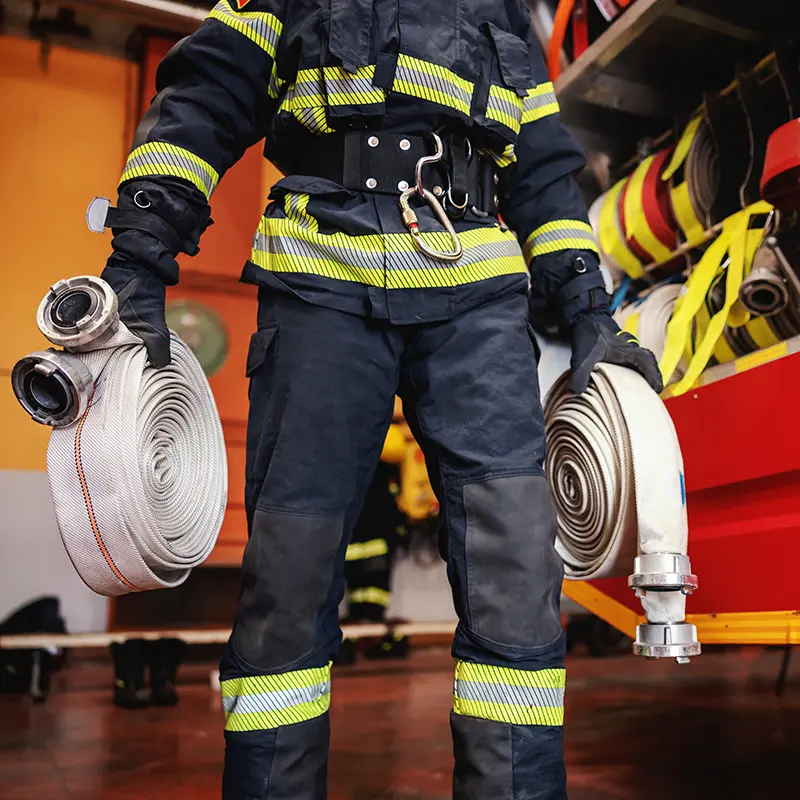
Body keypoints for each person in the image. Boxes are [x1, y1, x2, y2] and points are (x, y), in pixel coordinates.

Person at [93, 0, 662, 796]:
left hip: (477, 294)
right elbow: (209, 93)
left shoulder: (504, 12)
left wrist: (591, 311)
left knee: (515, 584)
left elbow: (539, 171)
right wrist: (138, 260)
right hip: (322, 279)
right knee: (287, 588)